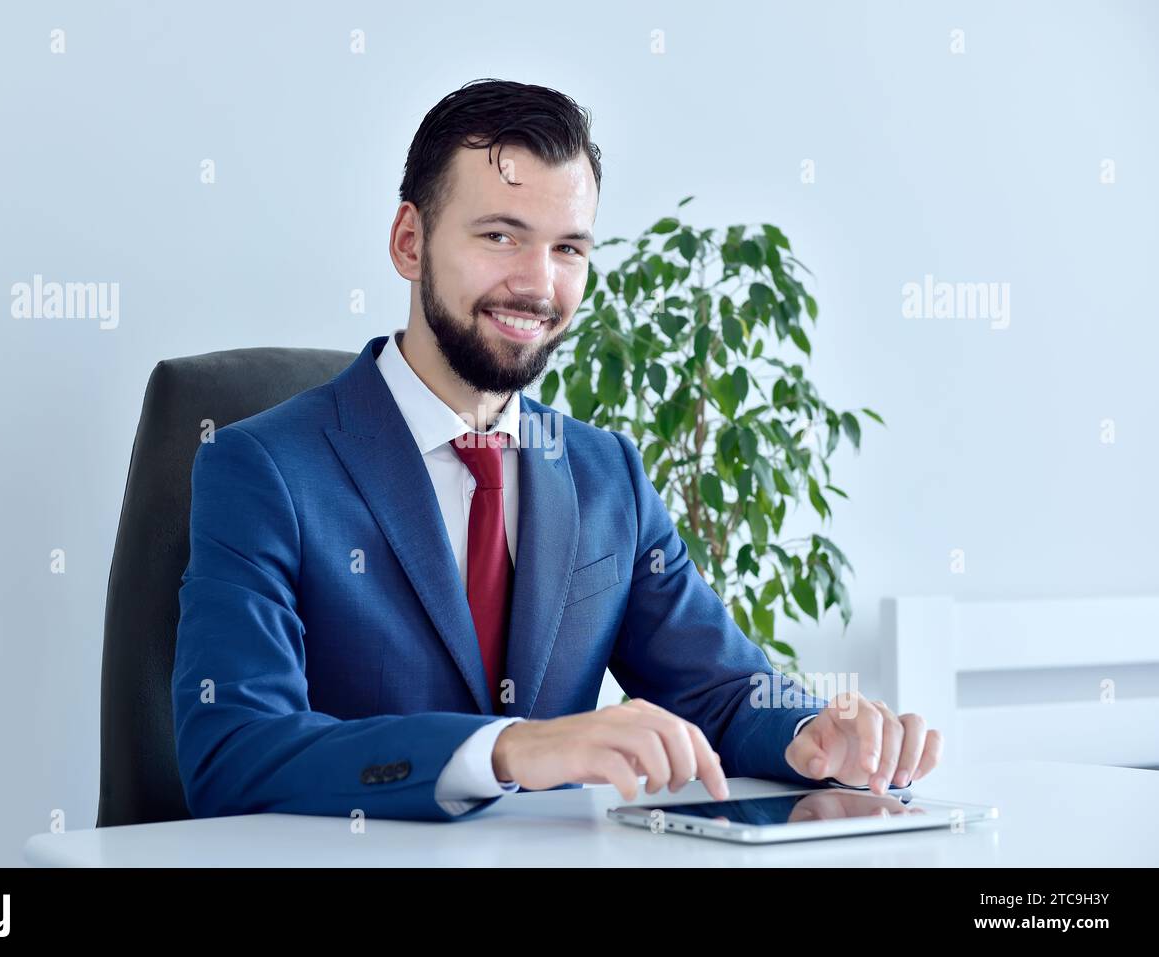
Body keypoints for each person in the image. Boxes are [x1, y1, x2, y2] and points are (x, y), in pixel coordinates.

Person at [172, 78, 942, 821]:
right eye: (501, 235)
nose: (538, 285)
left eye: (568, 248)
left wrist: (814, 736)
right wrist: (503, 750)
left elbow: (721, 692)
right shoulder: (264, 468)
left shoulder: (606, 473)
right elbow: (235, 747)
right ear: (409, 242)